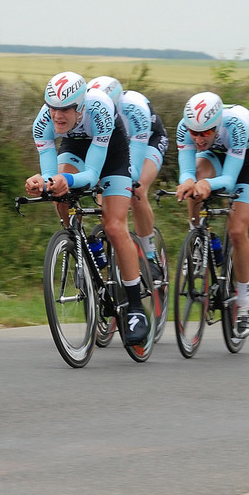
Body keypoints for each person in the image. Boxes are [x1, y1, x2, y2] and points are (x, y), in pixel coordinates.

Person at [24, 71, 149, 345]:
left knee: (115, 227)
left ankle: (136, 307)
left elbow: (92, 175)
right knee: (58, 192)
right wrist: (43, 183)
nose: (57, 115)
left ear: (80, 106)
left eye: (65, 109)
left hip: (112, 151)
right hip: (75, 145)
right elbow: (50, 174)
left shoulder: (100, 108)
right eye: (53, 107)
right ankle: (75, 240)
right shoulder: (43, 122)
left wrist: (63, 179)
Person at [174, 91, 249, 336]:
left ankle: (244, 303)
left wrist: (207, 186)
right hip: (215, 156)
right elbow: (187, 170)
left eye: (205, 132)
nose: (199, 138)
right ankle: (197, 236)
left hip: (244, 162)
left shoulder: (235, 124)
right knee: (197, 180)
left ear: (217, 124)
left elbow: (230, 181)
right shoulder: (186, 127)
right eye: (194, 133)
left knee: (237, 231)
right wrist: (189, 182)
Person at [87, 77, 169, 281]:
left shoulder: (134, 108)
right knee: (103, 197)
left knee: (136, 189)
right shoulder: (93, 111)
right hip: (116, 144)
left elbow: (132, 167)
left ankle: (150, 255)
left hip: (147, 141)